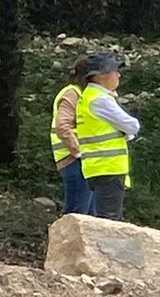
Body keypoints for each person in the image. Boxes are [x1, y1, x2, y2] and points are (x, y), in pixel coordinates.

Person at [69, 51, 140, 221]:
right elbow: (132, 125)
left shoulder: (89, 96)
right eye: (115, 71)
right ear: (101, 75)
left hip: (98, 166)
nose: (118, 75)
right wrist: (126, 133)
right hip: (109, 166)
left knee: (105, 218)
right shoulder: (100, 99)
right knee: (109, 221)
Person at [48, 55, 95, 215]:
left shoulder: (83, 94)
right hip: (74, 160)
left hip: (81, 162)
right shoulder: (72, 93)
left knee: (89, 218)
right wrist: (79, 152)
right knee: (77, 217)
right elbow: (63, 127)